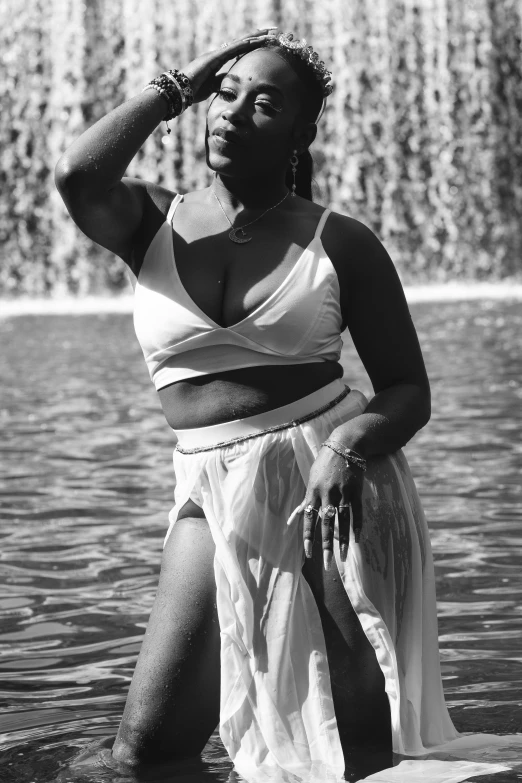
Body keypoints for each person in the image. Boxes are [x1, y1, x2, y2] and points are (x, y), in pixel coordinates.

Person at [54, 27, 517, 783]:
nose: (233, 114)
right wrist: (180, 84)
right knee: (147, 751)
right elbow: (76, 173)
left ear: (302, 135)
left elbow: (409, 389)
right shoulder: (149, 223)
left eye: (264, 104)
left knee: (354, 752)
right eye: (226, 95)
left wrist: (348, 448)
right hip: (207, 482)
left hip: (328, 483)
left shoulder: (344, 242)